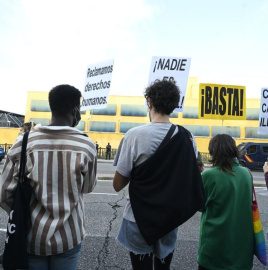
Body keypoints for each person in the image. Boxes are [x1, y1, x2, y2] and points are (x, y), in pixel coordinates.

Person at [0, 84, 97, 270]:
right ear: (75, 111)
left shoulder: (24, 142)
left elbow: (3, 193)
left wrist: (24, 212)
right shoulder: (86, 145)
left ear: (51, 108)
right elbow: (87, 187)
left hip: (31, 237)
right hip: (69, 236)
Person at [113, 79, 205, 270]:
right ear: (174, 105)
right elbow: (191, 173)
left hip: (137, 218)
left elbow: (117, 184)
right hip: (169, 219)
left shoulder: (134, 135)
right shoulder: (187, 136)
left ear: (149, 102)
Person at [197, 134, 254, 270]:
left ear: (213, 152)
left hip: (215, 247)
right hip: (242, 247)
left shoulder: (209, 176)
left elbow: (199, 205)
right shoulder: (246, 173)